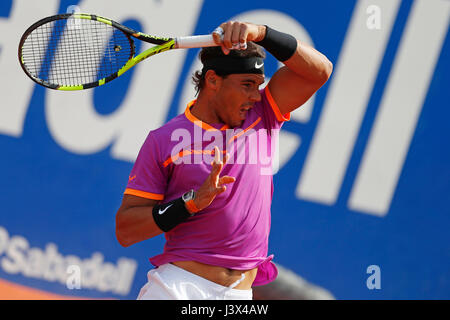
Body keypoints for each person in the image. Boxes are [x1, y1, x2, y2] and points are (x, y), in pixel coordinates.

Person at [115, 21, 332, 300]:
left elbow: (320, 71)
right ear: (213, 80)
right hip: (179, 289)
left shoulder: (264, 113)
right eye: (247, 85)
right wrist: (189, 203)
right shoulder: (163, 140)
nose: (255, 95)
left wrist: (262, 34)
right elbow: (126, 230)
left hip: (238, 296)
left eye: (259, 85)